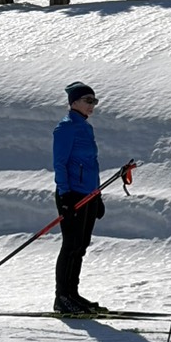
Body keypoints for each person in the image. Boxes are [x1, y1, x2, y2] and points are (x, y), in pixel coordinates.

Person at [52, 81, 106, 314]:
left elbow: (91, 165)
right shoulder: (65, 128)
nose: (92, 105)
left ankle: (73, 294)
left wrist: (97, 195)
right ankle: (62, 297)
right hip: (72, 194)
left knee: (81, 246)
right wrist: (65, 196)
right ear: (73, 102)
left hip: (88, 195)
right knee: (71, 245)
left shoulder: (86, 127)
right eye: (88, 100)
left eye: (94, 101)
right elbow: (60, 163)